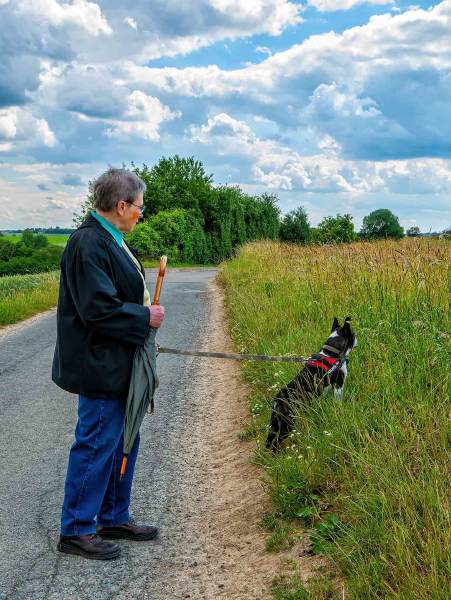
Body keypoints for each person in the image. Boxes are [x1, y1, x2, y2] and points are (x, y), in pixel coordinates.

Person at [52, 168, 165, 560]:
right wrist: (143, 318)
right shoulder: (87, 243)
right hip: (98, 365)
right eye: (139, 207)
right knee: (98, 442)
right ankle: (77, 530)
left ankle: (113, 515)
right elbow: (97, 309)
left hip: (120, 361)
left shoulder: (111, 239)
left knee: (124, 440)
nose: (140, 213)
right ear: (120, 206)